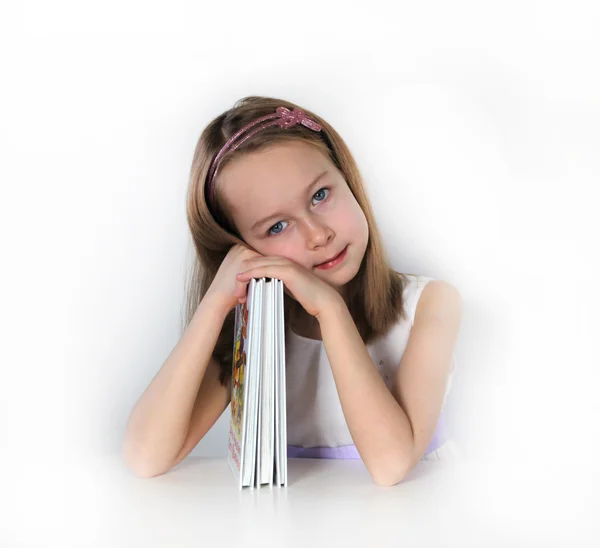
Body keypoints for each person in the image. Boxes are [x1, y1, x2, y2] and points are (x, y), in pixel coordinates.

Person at [122, 95, 463, 486]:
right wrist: (217, 300)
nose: (319, 235)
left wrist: (331, 311)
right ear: (243, 249)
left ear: (347, 179)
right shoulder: (253, 336)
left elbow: (390, 466)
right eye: (277, 227)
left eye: (320, 195)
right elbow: (144, 457)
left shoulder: (430, 304)